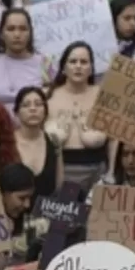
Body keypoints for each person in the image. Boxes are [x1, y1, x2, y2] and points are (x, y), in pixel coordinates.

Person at [45, 41, 109, 190]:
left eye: (84, 62)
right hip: (59, 171)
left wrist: (111, 171)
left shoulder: (102, 96)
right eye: (73, 61)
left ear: (91, 68)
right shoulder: (48, 96)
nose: (78, 66)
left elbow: (114, 138)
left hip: (96, 171)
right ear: (64, 68)